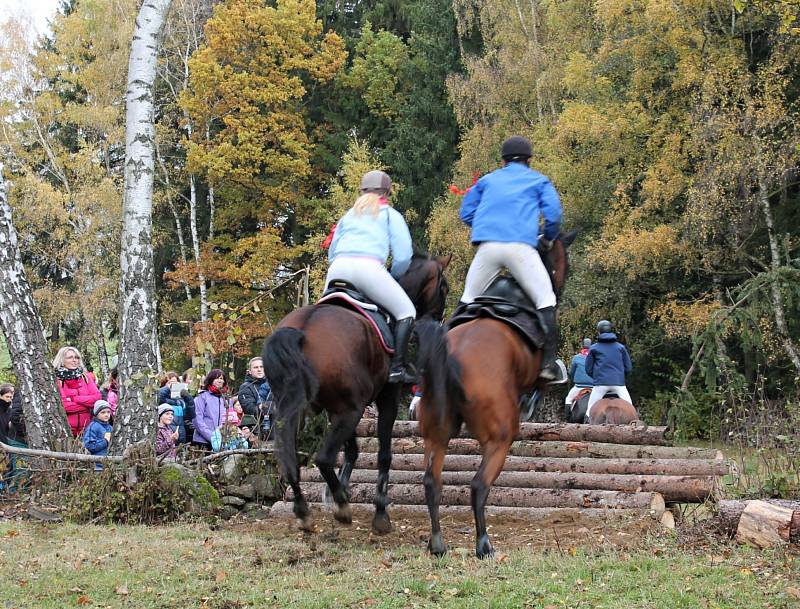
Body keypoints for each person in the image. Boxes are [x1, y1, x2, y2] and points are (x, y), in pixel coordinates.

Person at [458, 135, 564, 381]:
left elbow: (466, 212)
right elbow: (554, 216)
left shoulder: (487, 180)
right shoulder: (539, 180)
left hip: (488, 248)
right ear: (528, 159)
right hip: (521, 248)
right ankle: (548, 364)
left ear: (503, 160)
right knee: (545, 299)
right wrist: (547, 239)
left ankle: (442, 355)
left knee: (468, 298)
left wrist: (486, 226)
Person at [326, 170, 416, 383]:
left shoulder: (348, 215)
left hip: (337, 268)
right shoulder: (389, 214)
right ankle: (397, 368)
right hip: (369, 268)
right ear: (387, 192)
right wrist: (392, 277)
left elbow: (332, 252)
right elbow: (403, 256)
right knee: (407, 312)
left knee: (323, 312)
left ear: (361, 191)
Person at [584, 320, 633, 420]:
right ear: (610, 330)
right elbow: (628, 368)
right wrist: (620, 378)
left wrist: (597, 378)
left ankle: (586, 427)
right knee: (631, 410)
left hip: (600, 385)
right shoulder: (621, 347)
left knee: (589, 411)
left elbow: (588, 369)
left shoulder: (593, 348)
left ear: (599, 332)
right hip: (619, 385)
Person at [53, 346, 103, 437]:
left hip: (87, 430)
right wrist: (87, 406)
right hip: (65, 431)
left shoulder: (86, 377)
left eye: (77, 357)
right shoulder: (56, 380)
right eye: (70, 357)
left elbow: (97, 398)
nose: (74, 360)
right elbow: (63, 406)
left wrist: (73, 399)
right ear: (62, 360)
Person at [192, 369, 230, 450]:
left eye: (221, 379)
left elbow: (230, 419)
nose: (220, 381)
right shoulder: (202, 397)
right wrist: (212, 437)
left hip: (222, 442)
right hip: (202, 441)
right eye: (217, 378)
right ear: (211, 380)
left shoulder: (226, 399)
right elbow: (197, 420)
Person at [237, 357, 272, 436]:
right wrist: (271, 407)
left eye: (261, 367)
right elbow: (250, 409)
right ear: (249, 371)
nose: (259, 369)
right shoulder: (246, 387)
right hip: (257, 431)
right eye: (256, 367)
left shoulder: (272, 384)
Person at [157, 371, 195, 444]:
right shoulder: (163, 400)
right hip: (165, 438)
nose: (173, 385)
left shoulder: (180, 402)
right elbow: (159, 397)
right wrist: (167, 388)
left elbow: (190, 415)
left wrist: (188, 397)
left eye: (176, 383)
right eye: (170, 382)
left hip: (181, 437)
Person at [565, 338, 594, 415]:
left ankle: (567, 418)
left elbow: (572, 373)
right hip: (593, 387)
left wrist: (571, 378)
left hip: (579, 386)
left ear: (583, 346)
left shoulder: (576, 358)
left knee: (568, 399)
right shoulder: (596, 358)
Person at [83, 400, 113, 469]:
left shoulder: (110, 427)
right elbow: (90, 446)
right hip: (97, 464)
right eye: (103, 412)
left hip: (109, 463)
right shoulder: (93, 427)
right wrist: (105, 441)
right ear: (96, 414)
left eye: (108, 412)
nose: (106, 414)